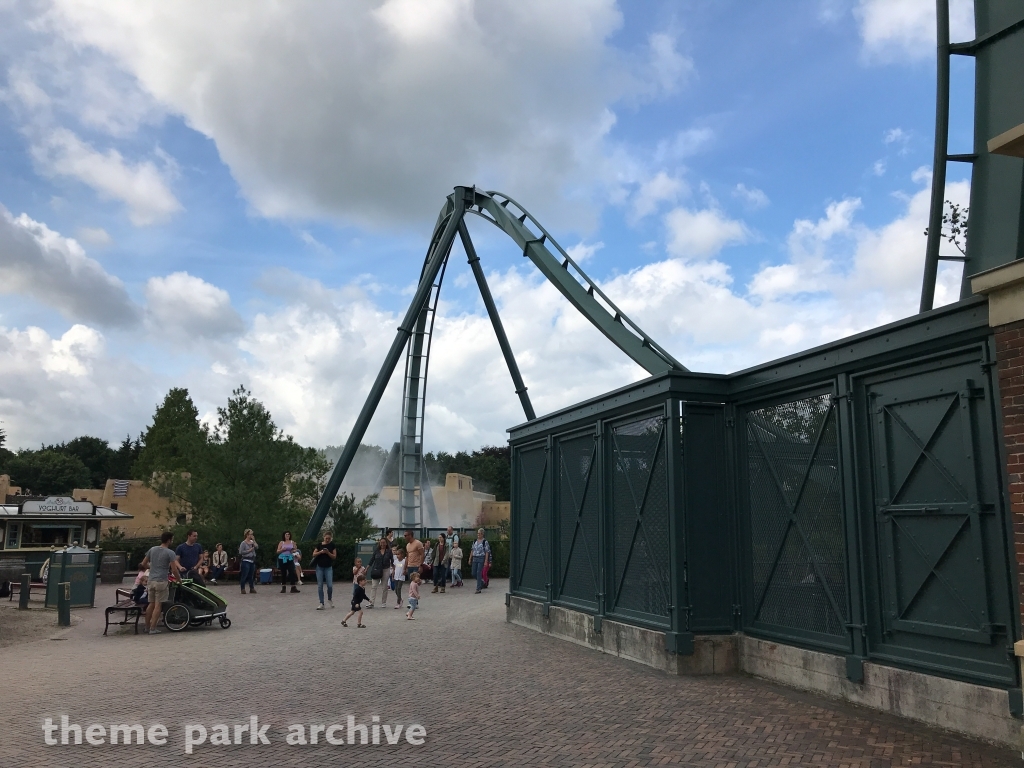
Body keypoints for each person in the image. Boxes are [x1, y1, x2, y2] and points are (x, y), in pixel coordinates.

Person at [140, 532, 181, 634]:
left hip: (151, 580)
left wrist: (152, 568)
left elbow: (143, 563)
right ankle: (153, 628)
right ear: (168, 540)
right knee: (158, 605)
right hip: (161, 581)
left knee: (151, 604)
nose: (172, 541)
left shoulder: (152, 549)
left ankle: (147, 627)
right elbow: (174, 569)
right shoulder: (170, 553)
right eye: (172, 539)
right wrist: (179, 580)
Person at [311, 531, 337, 610]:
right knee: (320, 585)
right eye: (326, 538)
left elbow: (334, 556)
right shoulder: (319, 545)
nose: (327, 540)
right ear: (324, 537)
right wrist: (321, 552)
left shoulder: (332, 545)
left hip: (328, 567)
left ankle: (329, 598)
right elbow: (314, 554)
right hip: (320, 567)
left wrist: (328, 552)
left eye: (329, 538)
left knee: (330, 585)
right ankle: (321, 603)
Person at [366, 537, 393, 608]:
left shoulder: (389, 551)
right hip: (377, 569)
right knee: (374, 586)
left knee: (384, 587)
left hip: (385, 569)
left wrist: (394, 570)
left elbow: (392, 561)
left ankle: (383, 602)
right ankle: (371, 602)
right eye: (381, 542)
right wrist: (367, 568)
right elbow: (372, 560)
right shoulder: (376, 551)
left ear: (386, 543)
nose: (382, 544)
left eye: (384, 542)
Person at [470, 528, 491, 594]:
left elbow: (487, 552)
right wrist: (470, 558)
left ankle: (478, 588)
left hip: (481, 558)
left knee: (479, 572)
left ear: (482, 534)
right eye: (478, 533)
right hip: (475, 558)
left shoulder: (485, 542)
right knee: (473, 573)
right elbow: (472, 550)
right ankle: (482, 582)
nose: (478, 535)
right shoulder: (475, 541)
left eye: (479, 533)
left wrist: (486, 561)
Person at [238, 529, 258, 594]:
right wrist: (248, 551)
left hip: (252, 560)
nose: (251, 536)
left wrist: (254, 541)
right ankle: (242, 588)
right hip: (246, 560)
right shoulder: (243, 543)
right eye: (250, 534)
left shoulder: (252, 542)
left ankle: (251, 588)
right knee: (244, 575)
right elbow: (241, 552)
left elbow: (257, 547)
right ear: (247, 535)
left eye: (252, 534)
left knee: (251, 575)